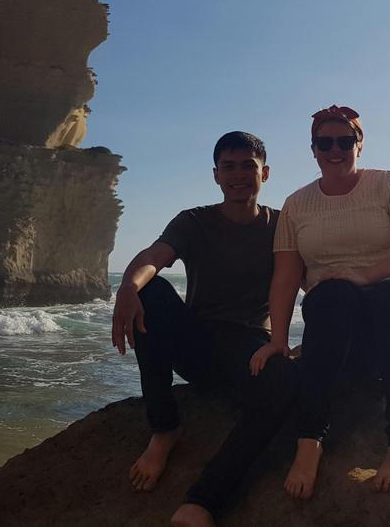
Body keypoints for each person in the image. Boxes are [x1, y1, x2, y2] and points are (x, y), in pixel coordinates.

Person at [111, 131, 298, 527]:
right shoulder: (194, 221)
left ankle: (202, 502)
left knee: (283, 381)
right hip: (198, 341)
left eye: (248, 165)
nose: (238, 175)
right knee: (153, 291)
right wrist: (129, 286)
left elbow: (314, 278)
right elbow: (153, 257)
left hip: (251, 349)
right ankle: (164, 428)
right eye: (228, 166)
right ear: (215, 175)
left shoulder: (283, 226)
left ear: (265, 172)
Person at [249, 105, 390, 499]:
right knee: (332, 294)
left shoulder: (389, 184)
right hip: (335, 312)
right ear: (313, 149)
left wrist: (362, 276)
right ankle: (310, 440)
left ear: (359, 145)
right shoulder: (297, 204)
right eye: (325, 142)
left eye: (345, 141)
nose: (335, 150)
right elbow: (285, 278)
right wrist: (277, 340)